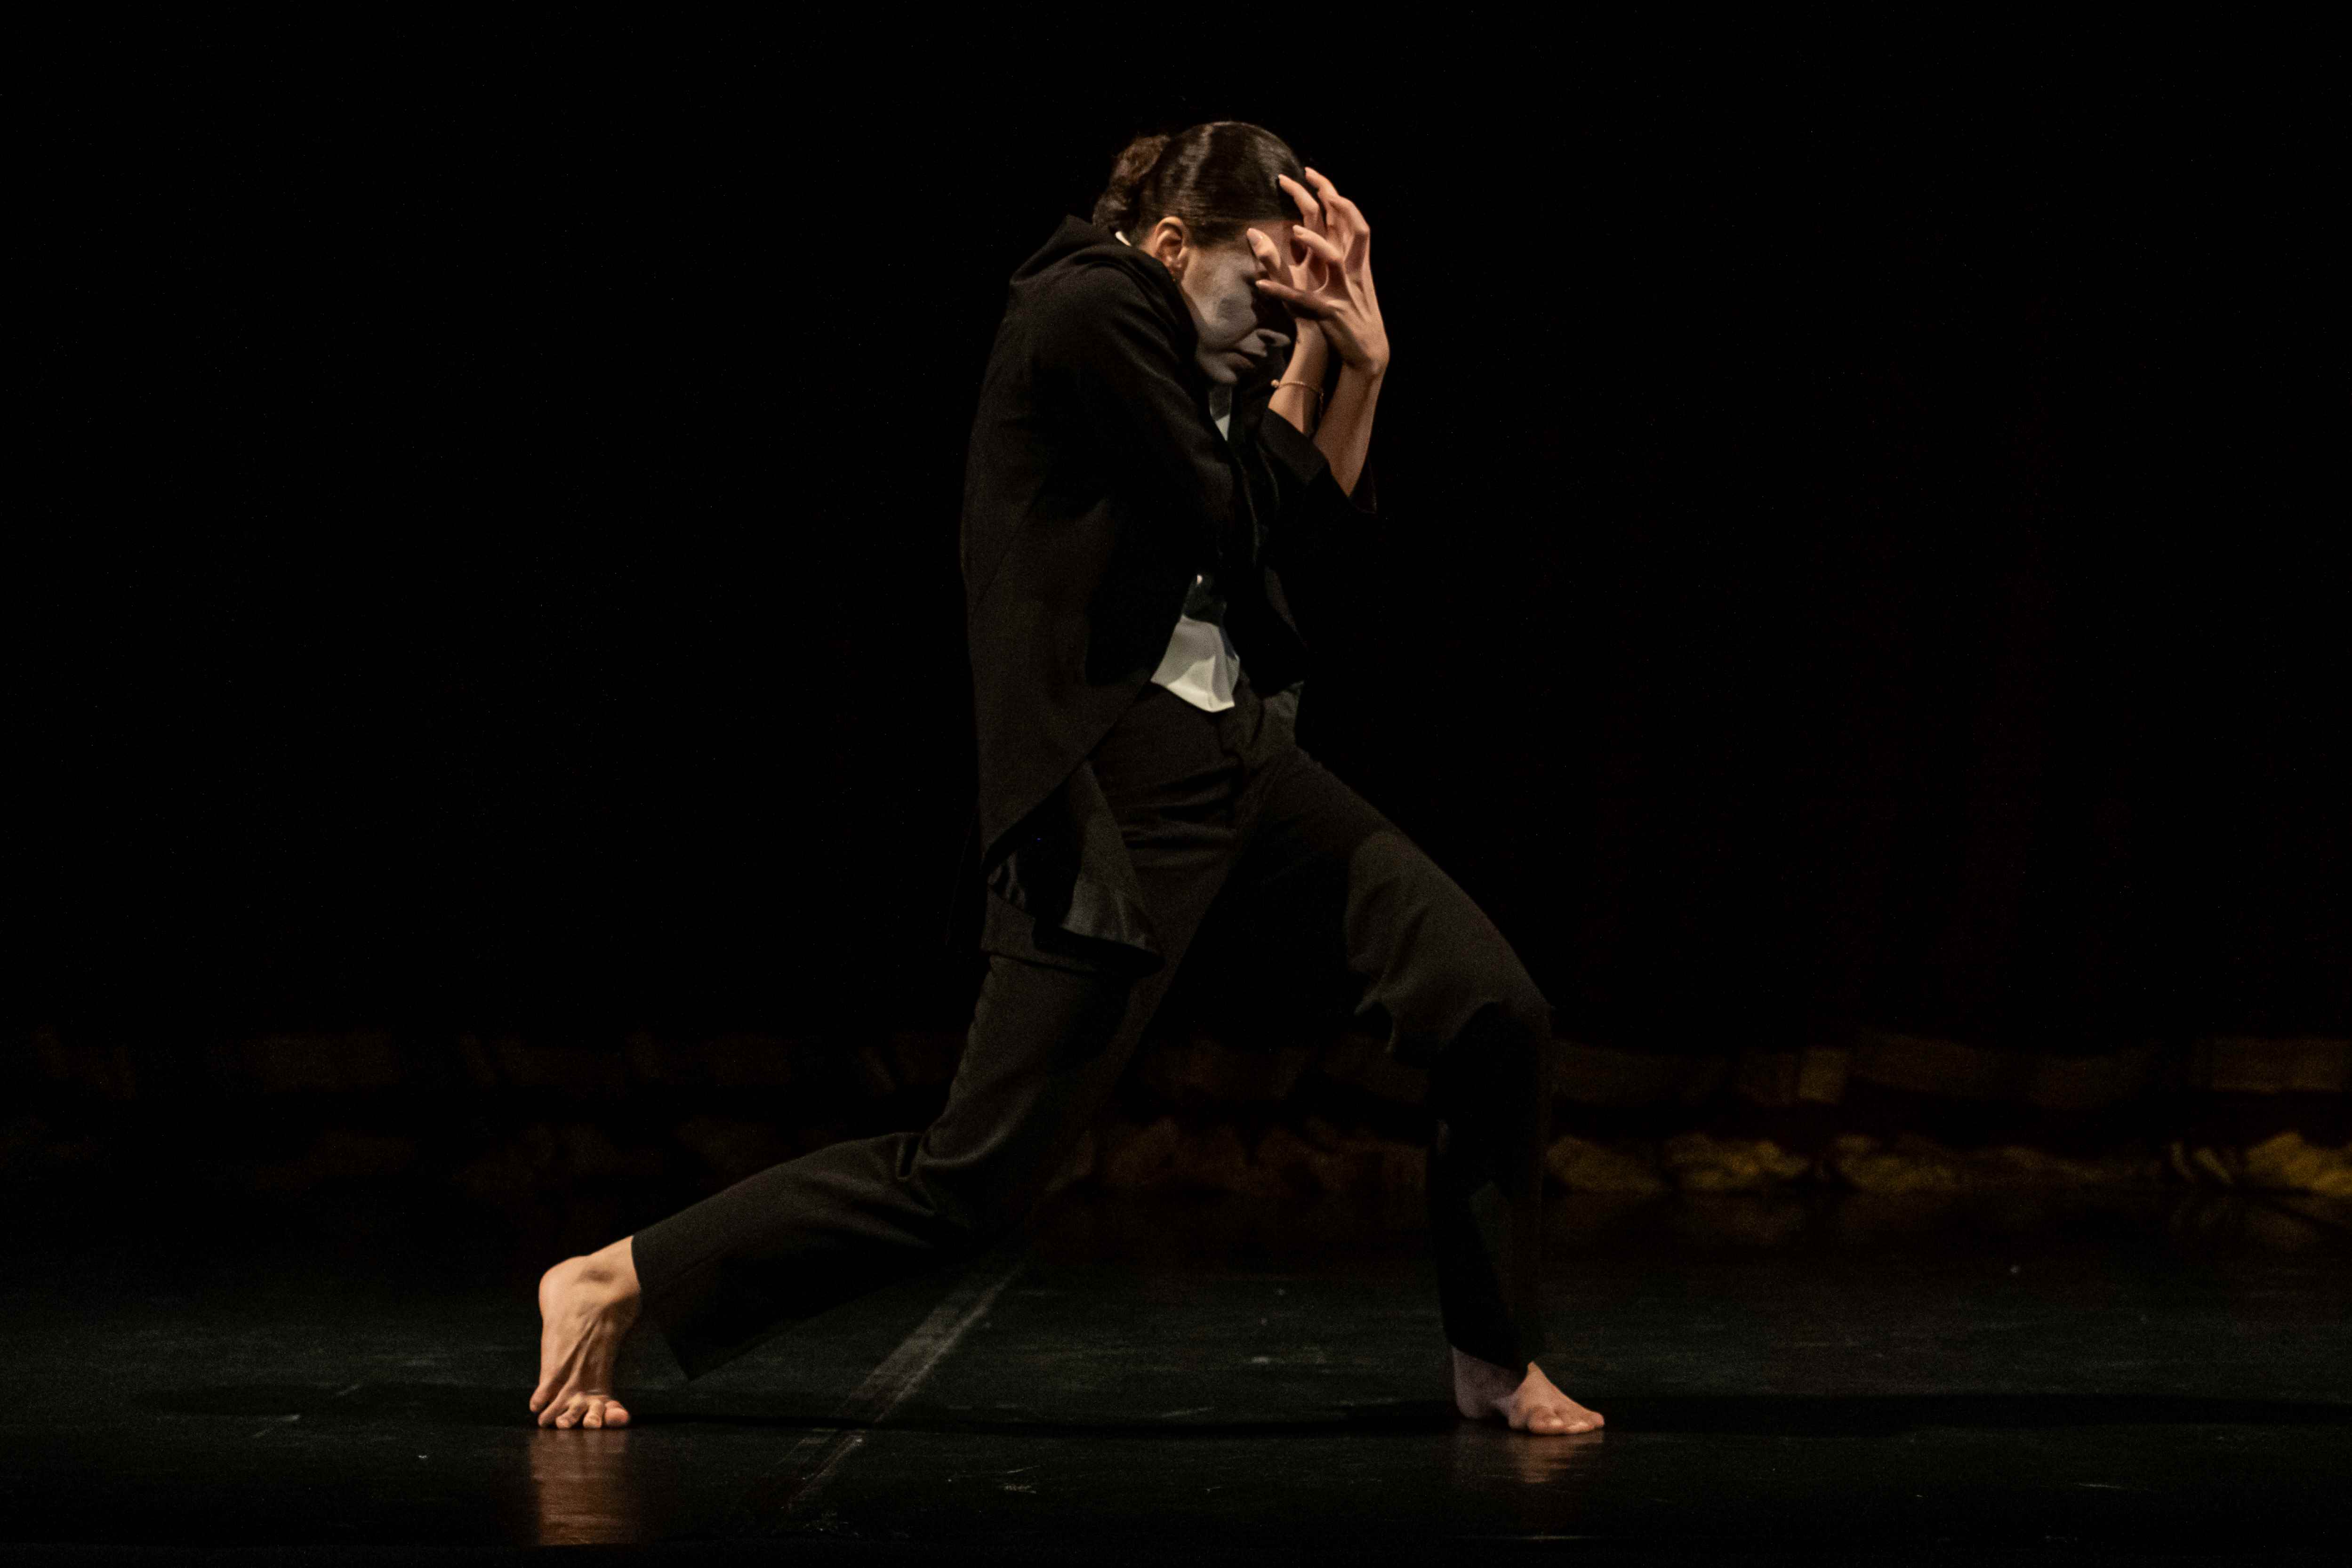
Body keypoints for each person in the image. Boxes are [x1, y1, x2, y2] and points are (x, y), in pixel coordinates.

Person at [530, 121, 1603, 1439]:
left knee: (1492, 1007)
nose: (1283, 313)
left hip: (1243, 755)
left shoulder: (1202, 346)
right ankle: (614, 1277)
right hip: (1121, 782)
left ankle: (1493, 1356)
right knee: (973, 1178)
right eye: (1264, 280)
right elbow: (1238, 513)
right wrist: (1321, 361)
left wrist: (1360, 362)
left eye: (1301, 288)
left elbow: (1297, 545)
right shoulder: (1090, 307)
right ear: (1172, 244)